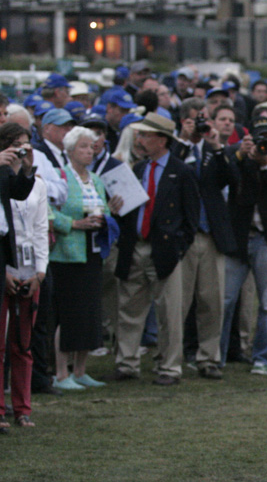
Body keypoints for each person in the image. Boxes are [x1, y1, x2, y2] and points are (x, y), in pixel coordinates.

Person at [108, 113, 199, 386]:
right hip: (135, 247)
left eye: (146, 135)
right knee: (128, 309)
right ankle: (126, 363)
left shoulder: (181, 172)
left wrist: (178, 248)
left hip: (165, 251)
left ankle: (170, 367)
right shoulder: (137, 169)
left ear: (162, 140)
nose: (140, 139)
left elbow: (191, 218)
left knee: (169, 312)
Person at [220, 118, 267, 376]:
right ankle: (215, 355)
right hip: (239, 238)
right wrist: (243, 157)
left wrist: (266, 165)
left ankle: (264, 358)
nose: (262, 144)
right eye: (257, 138)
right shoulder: (237, 156)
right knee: (225, 300)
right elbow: (228, 182)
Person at [49, 127, 122, 390]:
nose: (89, 151)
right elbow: (48, 212)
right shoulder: (61, 177)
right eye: (83, 146)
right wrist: (74, 224)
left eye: (91, 147)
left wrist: (108, 217)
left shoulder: (96, 180)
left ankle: (80, 370)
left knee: (89, 313)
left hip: (93, 252)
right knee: (69, 313)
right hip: (68, 255)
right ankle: (60, 372)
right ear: (69, 151)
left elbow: (103, 211)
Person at [177, 97, 236, 379]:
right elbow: (171, 172)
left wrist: (216, 145)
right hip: (184, 236)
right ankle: (172, 358)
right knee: (179, 302)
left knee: (212, 301)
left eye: (204, 118)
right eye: (195, 119)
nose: (202, 123)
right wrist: (184, 140)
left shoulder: (213, 150)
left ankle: (209, 357)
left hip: (211, 234)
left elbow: (231, 177)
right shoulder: (178, 148)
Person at [0, 123, 48, 429]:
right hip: (6, 261)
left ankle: (22, 408)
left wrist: (26, 170)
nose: (21, 149)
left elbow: (18, 193)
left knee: (22, 342)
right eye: (15, 144)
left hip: (20, 260)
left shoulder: (10, 171)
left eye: (25, 144)